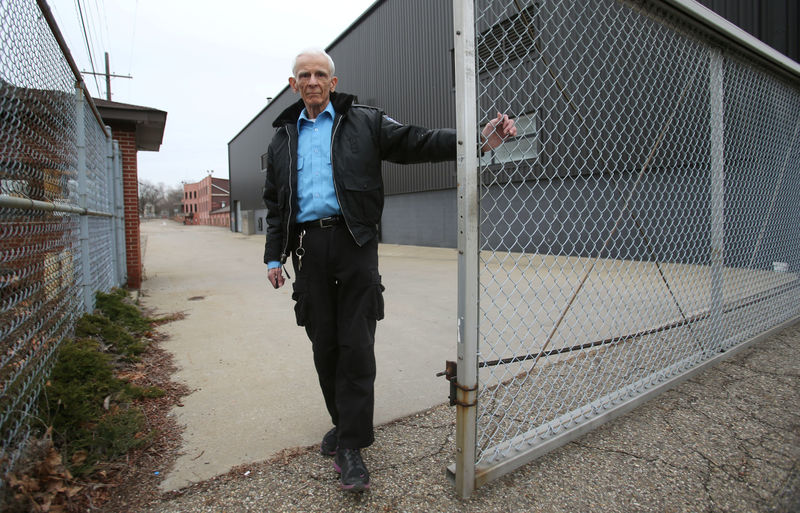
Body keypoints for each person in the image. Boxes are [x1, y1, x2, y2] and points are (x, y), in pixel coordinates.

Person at [263, 48, 515, 492]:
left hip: (355, 242)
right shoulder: (282, 138)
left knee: (356, 344)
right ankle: (344, 424)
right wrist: (273, 255)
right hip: (307, 249)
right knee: (324, 345)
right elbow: (275, 203)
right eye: (304, 74)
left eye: (321, 73)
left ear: (333, 83)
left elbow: (418, 141)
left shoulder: (364, 120)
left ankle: (352, 447)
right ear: (293, 84)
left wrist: (479, 138)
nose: (313, 81)